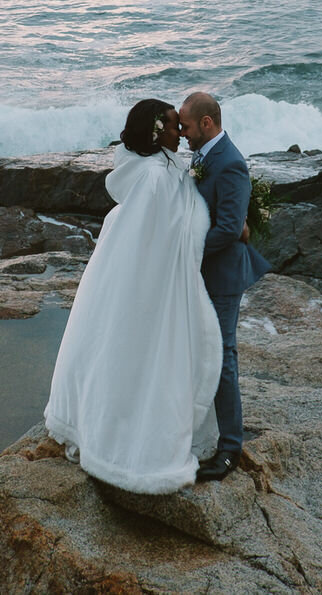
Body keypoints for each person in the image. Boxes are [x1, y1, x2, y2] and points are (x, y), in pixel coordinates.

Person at [43, 98, 222, 493]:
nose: (182, 133)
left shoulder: (155, 169)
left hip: (134, 272)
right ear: (157, 134)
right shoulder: (155, 176)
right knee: (141, 358)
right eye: (176, 126)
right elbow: (156, 235)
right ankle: (128, 447)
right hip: (148, 280)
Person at [180, 91, 271, 482]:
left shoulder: (230, 162)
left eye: (185, 125)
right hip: (205, 273)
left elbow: (230, 229)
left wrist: (186, 253)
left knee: (223, 357)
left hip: (221, 275)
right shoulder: (202, 156)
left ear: (206, 123)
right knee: (202, 351)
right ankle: (205, 429)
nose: (181, 133)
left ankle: (231, 448)